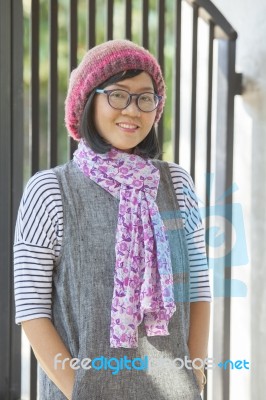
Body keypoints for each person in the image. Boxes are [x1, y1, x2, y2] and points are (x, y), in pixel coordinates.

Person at [14, 39, 211, 399]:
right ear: (88, 102)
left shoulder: (176, 184)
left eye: (145, 98)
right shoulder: (50, 190)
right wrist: (82, 391)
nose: (133, 110)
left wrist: (194, 380)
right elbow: (31, 309)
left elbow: (197, 288)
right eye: (118, 95)